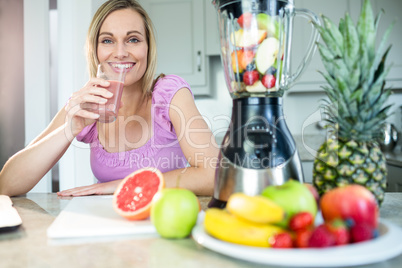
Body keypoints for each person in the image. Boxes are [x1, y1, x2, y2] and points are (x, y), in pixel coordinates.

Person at [0, 0, 218, 197]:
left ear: (148, 48)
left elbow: (213, 175)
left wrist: (117, 185)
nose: (120, 52)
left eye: (133, 39)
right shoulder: (86, 105)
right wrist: (70, 128)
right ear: (95, 51)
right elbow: (7, 184)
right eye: (107, 40)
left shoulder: (169, 94)